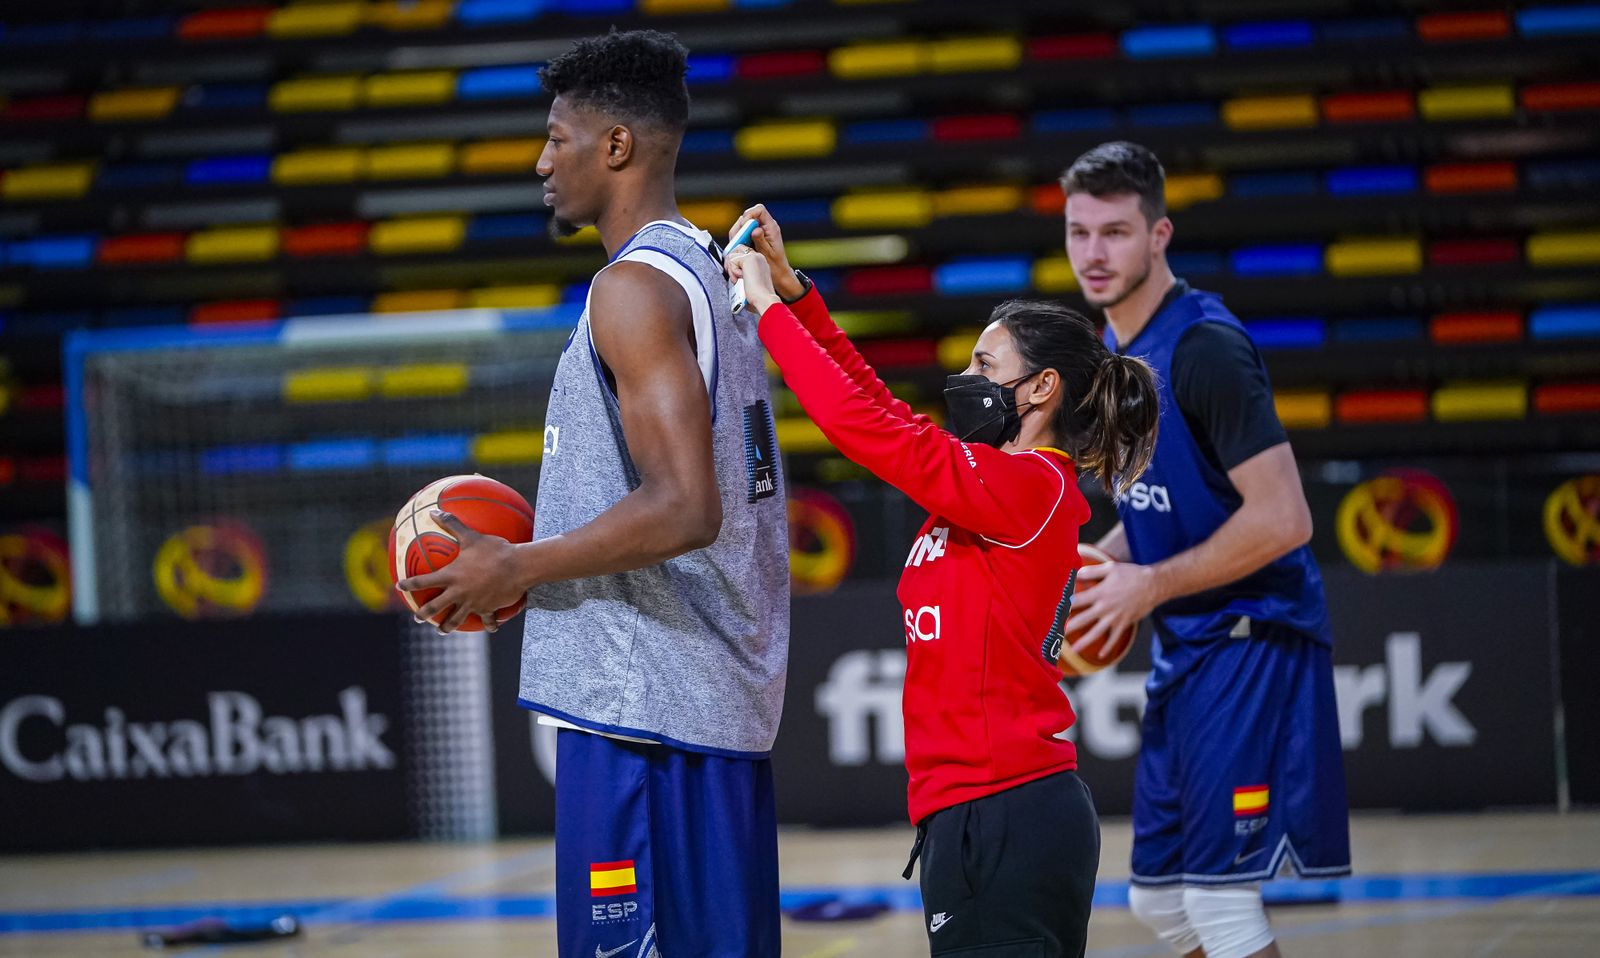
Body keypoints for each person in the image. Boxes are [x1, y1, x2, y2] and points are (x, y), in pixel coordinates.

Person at [397, 31, 790, 958]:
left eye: (556, 137)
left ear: (616, 146)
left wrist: (516, 564)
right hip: (700, 708)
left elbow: (688, 506)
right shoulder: (712, 271)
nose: (541, 161)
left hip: (649, 718)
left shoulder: (632, 291)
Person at [726, 204, 1160, 957]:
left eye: (985, 367)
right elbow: (878, 404)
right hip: (972, 813)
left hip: (1008, 811)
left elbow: (867, 430)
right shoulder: (991, 483)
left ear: (1040, 389)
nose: (965, 380)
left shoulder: (1034, 487)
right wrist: (799, 296)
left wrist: (766, 310)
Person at [1058, 142, 1351, 958]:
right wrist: (1099, 566)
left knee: (1220, 904)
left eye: (1115, 232)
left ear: (1160, 236)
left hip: (1252, 637)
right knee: (1159, 902)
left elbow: (1286, 518)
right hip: (1191, 648)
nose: (1094, 253)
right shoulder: (1112, 356)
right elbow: (1157, 514)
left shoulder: (1205, 348)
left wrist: (1146, 584)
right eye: (1080, 232)